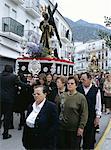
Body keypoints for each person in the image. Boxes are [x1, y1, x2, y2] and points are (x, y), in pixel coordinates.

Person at [22, 85, 59, 150]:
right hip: (30, 141)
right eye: (34, 94)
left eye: (38, 94)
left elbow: (54, 125)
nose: (36, 95)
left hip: (44, 143)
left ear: (45, 94)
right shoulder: (31, 106)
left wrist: (47, 139)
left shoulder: (51, 107)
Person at [57, 76, 88, 150]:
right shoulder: (62, 96)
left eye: (72, 83)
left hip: (74, 129)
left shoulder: (81, 97)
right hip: (62, 128)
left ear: (76, 85)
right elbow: (57, 110)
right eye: (68, 83)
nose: (69, 85)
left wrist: (81, 127)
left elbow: (84, 113)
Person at [0, 65, 28, 139]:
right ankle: (5, 134)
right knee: (7, 116)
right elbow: (21, 84)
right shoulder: (13, 77)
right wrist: (29, 85)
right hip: (9, 99)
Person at [77, 72, 101, 149]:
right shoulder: (78, 89)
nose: (82, 81)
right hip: (79, 116)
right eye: (81, 80)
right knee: (78, 136)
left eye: (84, 79)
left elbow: (98, 104)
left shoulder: (96, 90)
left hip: (91, 116)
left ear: (90, 79)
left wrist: (97, 117)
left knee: (89, 137)